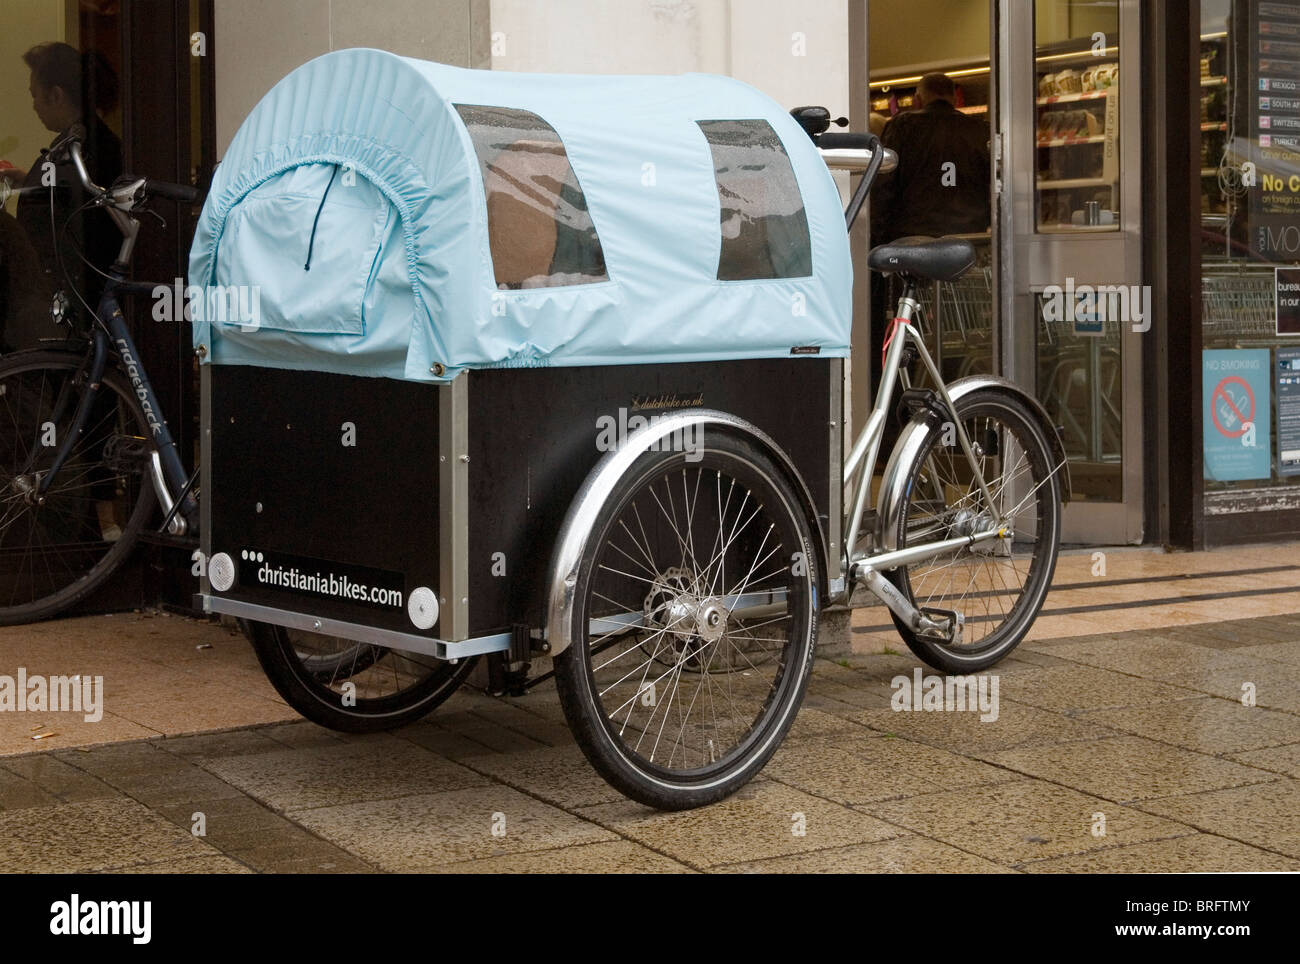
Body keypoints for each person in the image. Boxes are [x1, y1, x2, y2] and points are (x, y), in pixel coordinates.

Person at [868, 72, 991, 406]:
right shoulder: (979, 130)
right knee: (964, 334)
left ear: (918, 99)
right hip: (968, 251)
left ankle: (901, 405)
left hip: (912, 250)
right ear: (953, 96)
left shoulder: (904, 127)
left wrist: (876, 243)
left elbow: (883, 188)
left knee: (908, 333)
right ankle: (965, 400)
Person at [5, 42, 122, 336]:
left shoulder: (78, 148)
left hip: (70, 302)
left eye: (35, 96)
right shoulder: (93, 141)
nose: (33, 105)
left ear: (56, 94)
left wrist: (30, 188)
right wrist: (28, 182)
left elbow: (58, 216)